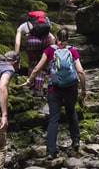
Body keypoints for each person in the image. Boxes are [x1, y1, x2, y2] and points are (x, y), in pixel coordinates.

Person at [24, 28, 86, 159]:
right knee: (71, 112)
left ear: (56, 38)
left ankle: (51, 150)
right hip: (71, 88)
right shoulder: (72, 50)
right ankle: (75, 141)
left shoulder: (49, 50)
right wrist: (84, 89)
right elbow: (80, 71)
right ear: (68, 39)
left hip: (54, 88)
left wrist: (29, 80)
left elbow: (37, 68)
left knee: (54, 118)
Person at [14, 11, 55, 97]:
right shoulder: (44, 24)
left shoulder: (24, 25)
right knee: (43, 65)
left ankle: (31, 88)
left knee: (33, 63)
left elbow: (17, 43)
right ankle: (39, 90)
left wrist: (16, 56)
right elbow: (53, 37)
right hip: (47, 41)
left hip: (33, 42)